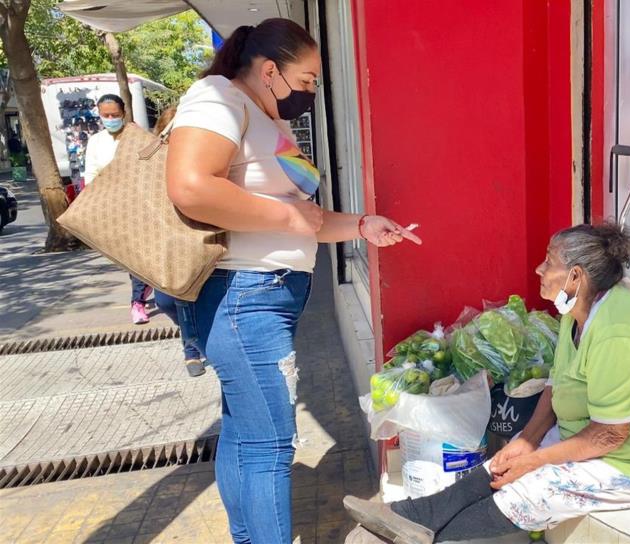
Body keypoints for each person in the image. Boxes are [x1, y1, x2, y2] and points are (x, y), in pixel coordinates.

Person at [165, 19, 421, 544]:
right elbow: (190, 187)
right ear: (269, 70)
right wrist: (288, 221)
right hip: (243, 298)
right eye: (306, 80)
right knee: (270, 446)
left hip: (262, 297)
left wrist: (362, 226)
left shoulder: (260, 117)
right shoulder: (217, 97)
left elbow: (299, 214)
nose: (311, 92)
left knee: (244, 435)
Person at [343, 223, 630, 544]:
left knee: (533, 487)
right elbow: (556, 387)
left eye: (549, 262)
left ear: (576, 276)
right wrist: (527, 440)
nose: (539, 269)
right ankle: (413, 513)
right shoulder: (579, 312)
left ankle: (408, 536)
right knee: (504, 461)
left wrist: (536, 460)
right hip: (606, 436)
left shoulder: (616, 329)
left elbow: (610, 436)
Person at [84, 94, 154, 324]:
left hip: (139, 204)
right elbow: (91, 174)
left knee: (142, 253)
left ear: (123, 112)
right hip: (112, 207)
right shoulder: (96, 141)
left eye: (115, 114)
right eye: (106, 115)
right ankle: (141, 295)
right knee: (129, 256)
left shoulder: (136, 136)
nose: (111, 118)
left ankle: (139, 300)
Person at [149, 106, 206, 378]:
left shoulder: (201, 159)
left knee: (184, 297)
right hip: (161, 240)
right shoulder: (153, 162)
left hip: (195, 236)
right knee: (165, 300)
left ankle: (192, 349)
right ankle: (192, 337)